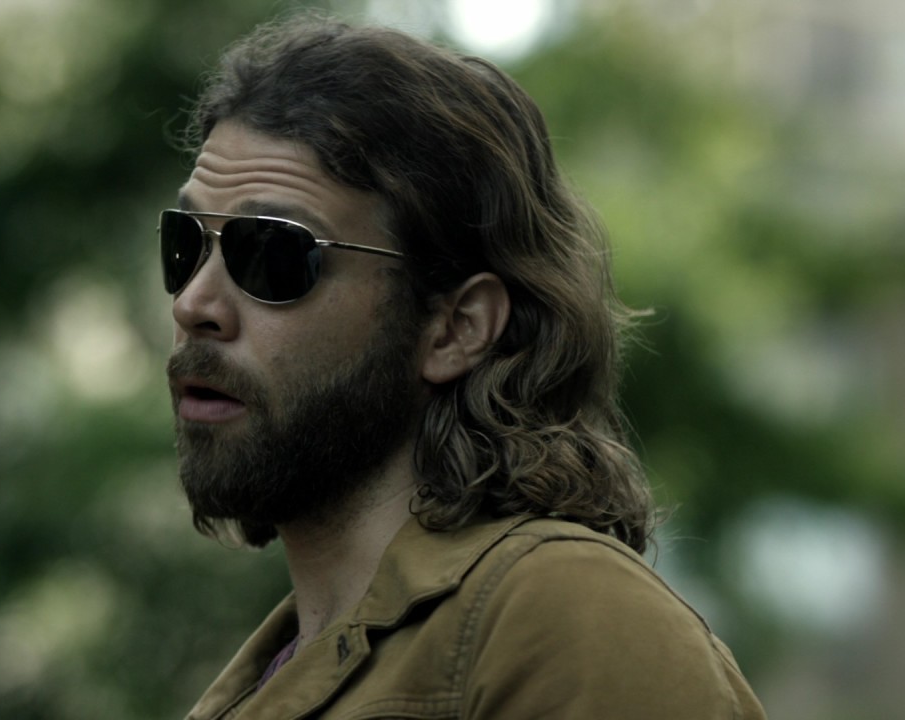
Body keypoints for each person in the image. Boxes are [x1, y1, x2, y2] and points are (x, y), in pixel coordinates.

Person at [161, 13, 766, 719]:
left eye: (272, 254)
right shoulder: (255, 684)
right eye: (185, 243)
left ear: (456, 328)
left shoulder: (568, 618)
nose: (194, 303)